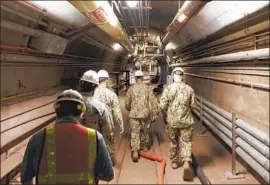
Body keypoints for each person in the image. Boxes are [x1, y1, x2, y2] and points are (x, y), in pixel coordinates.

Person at [20, 89, 114, 184]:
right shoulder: (95, 137)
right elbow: (108, 175)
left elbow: (25, 178)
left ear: (57, 111)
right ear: (81, 113)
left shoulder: (38, 138)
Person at [160, 67, 196, 181]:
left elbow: (162, 106)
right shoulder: (190, 89)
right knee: (186, 142)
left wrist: (165, 115)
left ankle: (175, 162)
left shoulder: (168, 89)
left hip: (172, 121)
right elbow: (193, 106)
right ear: (183, 76)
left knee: (174, 141)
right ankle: (186, 161)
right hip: (186, 121)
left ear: (173, 76)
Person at [80, 70, 115, 163]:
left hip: (74, 145)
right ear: (95, 87)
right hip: (92, 145)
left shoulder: (71, 102)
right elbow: (107, 130)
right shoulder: (99, 106)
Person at [125, 70, 159, 162]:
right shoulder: (147, 88)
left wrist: (130, 109)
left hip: (134, 114)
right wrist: (155, 112)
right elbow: (153, 101)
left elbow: (127, 103)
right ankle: (144, 146)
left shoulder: (131, 89)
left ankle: (135, 150)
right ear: (142, 78)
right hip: (145, 114)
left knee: (135, 132)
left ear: (136, 78)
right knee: (145, 130)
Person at [94, 69, 124, 165]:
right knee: (109, 144)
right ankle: (110, 163)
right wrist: (121, 124)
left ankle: (96, 163)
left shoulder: (92, 93)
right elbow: (117, 111)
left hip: (93, 124)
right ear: (106, 80)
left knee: (95, 143)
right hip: (107, 124)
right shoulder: (111, 94)